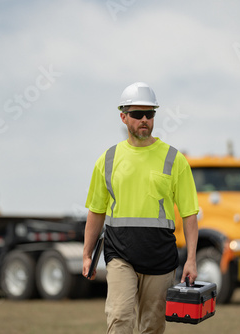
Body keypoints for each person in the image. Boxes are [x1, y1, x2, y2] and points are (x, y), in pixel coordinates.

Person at [83, 82, 199, 334]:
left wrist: (191, 259)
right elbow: (96, 210)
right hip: (119, 254)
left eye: (150, 114)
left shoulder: (174, 159)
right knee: (120, 318)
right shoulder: (108, 159)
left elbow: (189, 214)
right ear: (123, 116)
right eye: (137, 114)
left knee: (152, 327)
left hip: (160, 258)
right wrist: (86, 254)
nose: (144, 119)